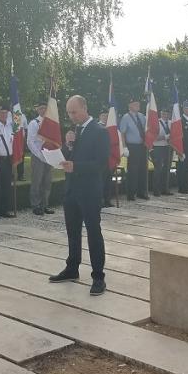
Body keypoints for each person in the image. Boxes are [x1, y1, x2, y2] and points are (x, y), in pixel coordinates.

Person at [48, 95, 110, 296]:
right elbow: (69, 157)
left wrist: (76, 166)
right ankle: (72, 268)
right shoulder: (76, 131)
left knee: (93, 232)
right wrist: (67, 145)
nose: (71, 116)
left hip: (90, 191)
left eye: (74, 112)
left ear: (84, 108)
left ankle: (98, 277)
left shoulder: (99, 132)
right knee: (72, 232)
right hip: (72, 190)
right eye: (68, 112)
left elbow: (101, 164)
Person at [27, 102, 55, 216]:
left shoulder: (51, 123)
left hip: (50, 155)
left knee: (47, 182)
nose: (43, 110)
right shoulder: (34, 123)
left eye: (45, 108)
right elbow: (30, 141)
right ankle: (36, 205)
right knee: (37, 181)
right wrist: (39, 155)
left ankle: (45, 204)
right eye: (40, 108)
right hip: (38, 155)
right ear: (37, 110)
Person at [119, 99, 148, 200]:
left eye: (138, 104)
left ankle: (141, 192)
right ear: (130, 106)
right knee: (132, 171)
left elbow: (146, 130)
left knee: (142, 170)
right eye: (135, 104)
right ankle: (131, 194)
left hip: (142, 146)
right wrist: (124, 147)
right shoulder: (126, 117)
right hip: (132, 146)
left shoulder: (142, 116)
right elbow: (122, 133)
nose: (138, 105)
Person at [151, 109, 173, 197]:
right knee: (158, 168)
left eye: (167, 113)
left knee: (167, 169)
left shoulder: (171, 123)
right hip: (157, 148)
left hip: (168, 148)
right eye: (164, 113)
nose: (165, 115)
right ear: (160, 113)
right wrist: (165, 136)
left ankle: (165, 189)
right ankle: (156, 190)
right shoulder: (156, 123)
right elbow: (153, 137)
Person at [98, 110, 113, 207]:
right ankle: (100, 200)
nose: (105, 117)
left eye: (107, 116)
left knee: (108, 179)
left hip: (109, 156)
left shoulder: (111, 127)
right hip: (100, 157)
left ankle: (107, 200)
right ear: (99, 116)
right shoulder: (97, 127)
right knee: (101, 180)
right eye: (103, 115)